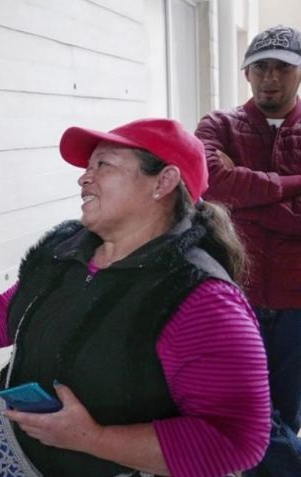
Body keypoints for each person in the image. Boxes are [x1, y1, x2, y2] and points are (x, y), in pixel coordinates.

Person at [0, 119, 271, 477]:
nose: (84, 179)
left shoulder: (199, 296)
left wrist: (93, 439)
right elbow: (11, 311)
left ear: (163, 181)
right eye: (88, 167)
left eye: (104, 165)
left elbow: (237, 440)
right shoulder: (69, 249)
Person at [195, 24, 301, 477]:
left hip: (297, 302)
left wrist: (248, 198)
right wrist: (289, 191)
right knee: (241, 409)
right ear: (246, 73)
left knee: (286, 407)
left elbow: (230, 199)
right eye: (261, 67)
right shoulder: (218, 125)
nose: (270, 78)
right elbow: (209, 185)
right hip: (235, 296)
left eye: (283, 67)